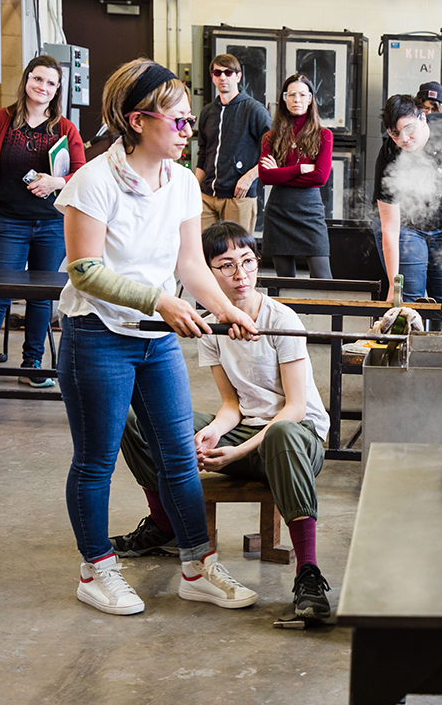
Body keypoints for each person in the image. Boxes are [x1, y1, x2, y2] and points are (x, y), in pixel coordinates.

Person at [54, 58, 260, 616]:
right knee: (95, 459)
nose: (189, 131)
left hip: (156, 337)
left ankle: (196, 564)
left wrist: (227, 309)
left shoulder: (183, 184)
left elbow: (191, 264)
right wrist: (161, 301)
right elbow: (85, 271)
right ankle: (95, 569)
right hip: (97, 334)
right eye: (180, 121)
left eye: (191, 121)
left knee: (177, 454)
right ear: (138, 120)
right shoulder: (91, 181)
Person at [113, 221, 334, 621]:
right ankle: (163, 527)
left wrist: (235, 453)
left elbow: (296, 408)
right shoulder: (212, 325)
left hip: (296, 440)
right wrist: (212, 432)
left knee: (282, 431)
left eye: (247, 262)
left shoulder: (280, 318)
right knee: (139, 416)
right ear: (207, 273)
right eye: (226, 265)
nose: (241, 274)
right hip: (246, 429)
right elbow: (231, 404)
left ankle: (309, 574)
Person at [0, 55, 86, 389]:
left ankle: (32, 365)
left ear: (58, 90)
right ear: (27, 79)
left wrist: (54, 182)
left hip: (51, 224)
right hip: (8, 223)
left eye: (50, 83)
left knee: (41, 297)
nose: (42, 87)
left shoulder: (64, 128)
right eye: (38, 79)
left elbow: (80, 172)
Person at [373, 95, 442, 303]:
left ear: (423, 118)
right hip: (408, 228)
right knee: (409, 298)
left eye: (409, 129)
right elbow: (390, 228)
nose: (404, 139)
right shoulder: (390, 155)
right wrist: (394, 285)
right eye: (395, 134)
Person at [258, 74, 334, 279]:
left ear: (310, 99)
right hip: (278, 211)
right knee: (284, 281)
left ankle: (327, 313)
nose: (297, 100)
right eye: (291, 94)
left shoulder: (324, 135)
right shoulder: (270, 137)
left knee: (323, 278)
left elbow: (320, 177)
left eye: (302, 94)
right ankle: (289, 314)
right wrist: (300, 169)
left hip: (310, 211)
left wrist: (280, 173)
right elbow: (265, 177)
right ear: (284, 99)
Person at [193, 54, 272, 234]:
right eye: (217, 72)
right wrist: (195, 190)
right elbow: (203, 153)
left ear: (238, 76)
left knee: (236, 251)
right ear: (212, 77)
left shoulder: (254, 110)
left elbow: (274, 151)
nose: (223, 77)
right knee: (205, 250)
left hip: (239, 197)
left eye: (228, 72)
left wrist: (249, 178)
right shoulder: (207, 112)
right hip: (207, 197)